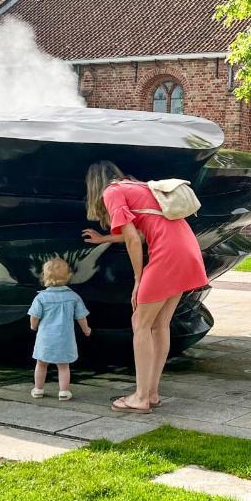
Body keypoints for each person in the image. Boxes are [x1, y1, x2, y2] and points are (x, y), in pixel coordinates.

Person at [83, 160, 207, 413]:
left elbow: (132, 239)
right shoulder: (139, 187)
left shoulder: (112, 192)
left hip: (167, 254)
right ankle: (151, 393)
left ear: (94, 183)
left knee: (140, 323)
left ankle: (139, 397)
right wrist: (104, 238)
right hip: (187, 249)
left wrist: (138, 279)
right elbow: (141, 231)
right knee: (160, 324)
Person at [28, 258, 91, 400]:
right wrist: (86, 329)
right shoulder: (73, 297)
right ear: (68, 275)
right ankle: (63, 391)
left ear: (44, 277)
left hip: (45, 339)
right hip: (65, 339)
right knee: (63, 366)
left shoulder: (41, 298)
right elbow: (81, 317)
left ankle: (38, 389)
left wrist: (33, 326)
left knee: (41, 364)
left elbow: (34, 316)